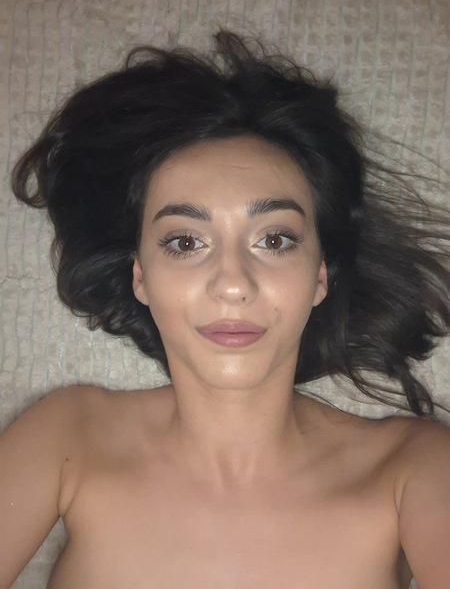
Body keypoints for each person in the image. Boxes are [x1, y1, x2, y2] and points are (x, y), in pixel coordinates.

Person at [1, 31, 450, 589]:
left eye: (275, 240)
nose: (233, 283)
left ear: (320, 275)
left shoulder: (415, 468)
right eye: (186, 242)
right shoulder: (69, 436)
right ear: (140, 276)